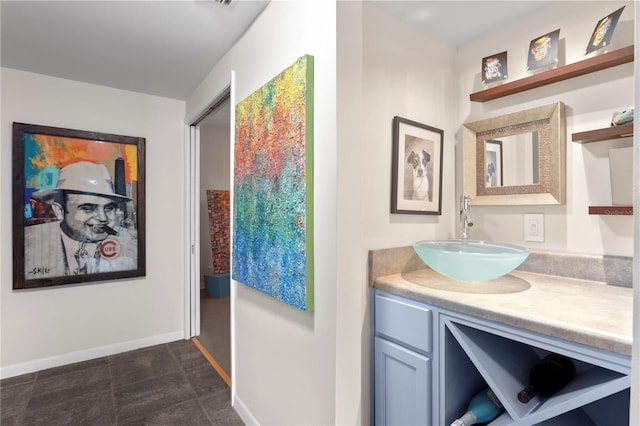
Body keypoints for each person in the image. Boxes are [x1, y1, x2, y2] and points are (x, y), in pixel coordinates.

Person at [24, 161, 137, 279]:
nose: (103, 218)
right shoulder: (28, 244)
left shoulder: (134, 244)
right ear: (59, 211)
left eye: (109, 208)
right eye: (88, 208)